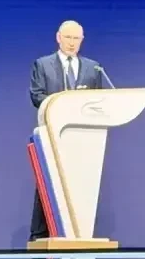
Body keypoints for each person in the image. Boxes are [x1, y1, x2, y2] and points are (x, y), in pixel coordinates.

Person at [27, 20, 106, 241]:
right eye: (68, 37)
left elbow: (98, 100)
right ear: (58, 38)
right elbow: (37, 96)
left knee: (80, 184)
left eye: (76, 39)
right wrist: (63, 107)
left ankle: (79, 233)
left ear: (82, 40)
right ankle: (39, 235)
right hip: (54, 135)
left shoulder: (93, 68)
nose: (72, 43)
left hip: (83, 137)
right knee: (50, 183)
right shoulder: (43, 65)